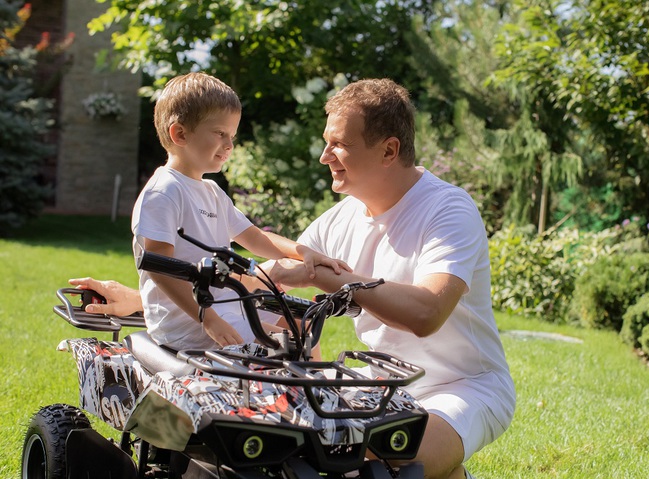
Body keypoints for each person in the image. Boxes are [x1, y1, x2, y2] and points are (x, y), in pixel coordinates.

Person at [71, 78, 514, 479]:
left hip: (461, 387)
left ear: (389, 151)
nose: (324, 157)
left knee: (384, 460)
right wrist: (141, 300)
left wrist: (338, 281)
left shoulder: (448, 211)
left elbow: (426, 313)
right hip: (375, 384)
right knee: (287, 447)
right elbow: (264, 285)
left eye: (338, 144)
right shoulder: (340, 219)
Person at [131, 72, 348, 351]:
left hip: (221, 305)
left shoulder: (211, 191)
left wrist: (303, 253)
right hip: (186, 324)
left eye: (231, 135)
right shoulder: (164, 192)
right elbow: (160, 268)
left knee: (302, 322)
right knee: (292, 343)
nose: (229, 145)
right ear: (180, 133)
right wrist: (207, 318)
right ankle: (306, 392)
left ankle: (304, 393)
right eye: (220, 133)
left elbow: (255, 238)